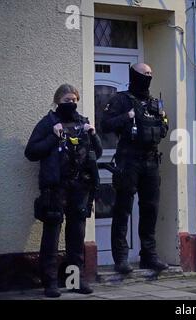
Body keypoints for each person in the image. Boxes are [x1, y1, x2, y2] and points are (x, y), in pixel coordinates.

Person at [25, 84, 102, 298]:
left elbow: (99, 150)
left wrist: (93, 134)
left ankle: (74, 281)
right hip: (55, 188)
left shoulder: (82, 122)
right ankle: (50, 283)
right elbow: (31, 152)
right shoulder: (48, 122)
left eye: (75, 99)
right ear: (57, 101)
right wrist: (52, 137)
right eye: (67, 100)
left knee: (76, 236)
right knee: (51, 235)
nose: (72, 104)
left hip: (79, 186)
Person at [102, 63, 169, 274]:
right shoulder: (121, 100)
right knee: (123, 209)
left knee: (150, 209)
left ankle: (149, 256)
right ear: (134, 75)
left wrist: (163, 119)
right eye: (144, 74)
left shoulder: (154, 103)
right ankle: (121, 259)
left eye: (150, 73)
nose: (148, 76)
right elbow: (105, 125)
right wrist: (126, 117)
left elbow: (164, 129)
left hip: (150, 161)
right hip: (128, 161)